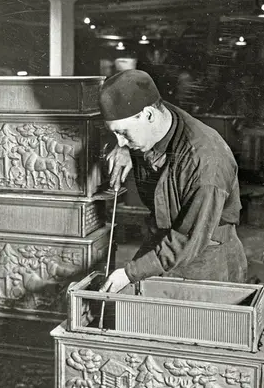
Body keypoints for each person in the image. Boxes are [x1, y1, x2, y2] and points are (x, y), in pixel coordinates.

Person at [98, 69, 247, 293]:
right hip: (162, 241)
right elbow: (132, 126)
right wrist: (125, 148)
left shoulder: (206, 164)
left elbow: (189, 239)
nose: (119, 142)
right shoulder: (159, 117)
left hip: (204, 257)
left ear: (149, 115)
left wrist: (130, 273)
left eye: (123, 133)